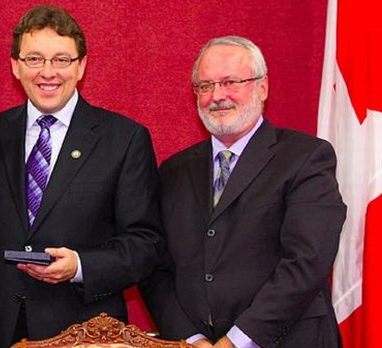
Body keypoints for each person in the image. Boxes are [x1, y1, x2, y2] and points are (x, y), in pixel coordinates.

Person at [0, 4, 162, 347]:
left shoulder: (124, 139)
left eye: (61, 59)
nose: (48, 72)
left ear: (81, 65)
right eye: (34, 59)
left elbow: (145, 243)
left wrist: (81, 266)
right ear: (15, 65)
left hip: (86, 333)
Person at [140, 36, 346, 348]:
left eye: (231, 82)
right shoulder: (173, 171)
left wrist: (237, 340)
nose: (217, 96)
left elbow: (308, 260)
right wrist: (190, 339)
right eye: (205, 85)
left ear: (263, 87)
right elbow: (156, 266)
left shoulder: (307, 158)